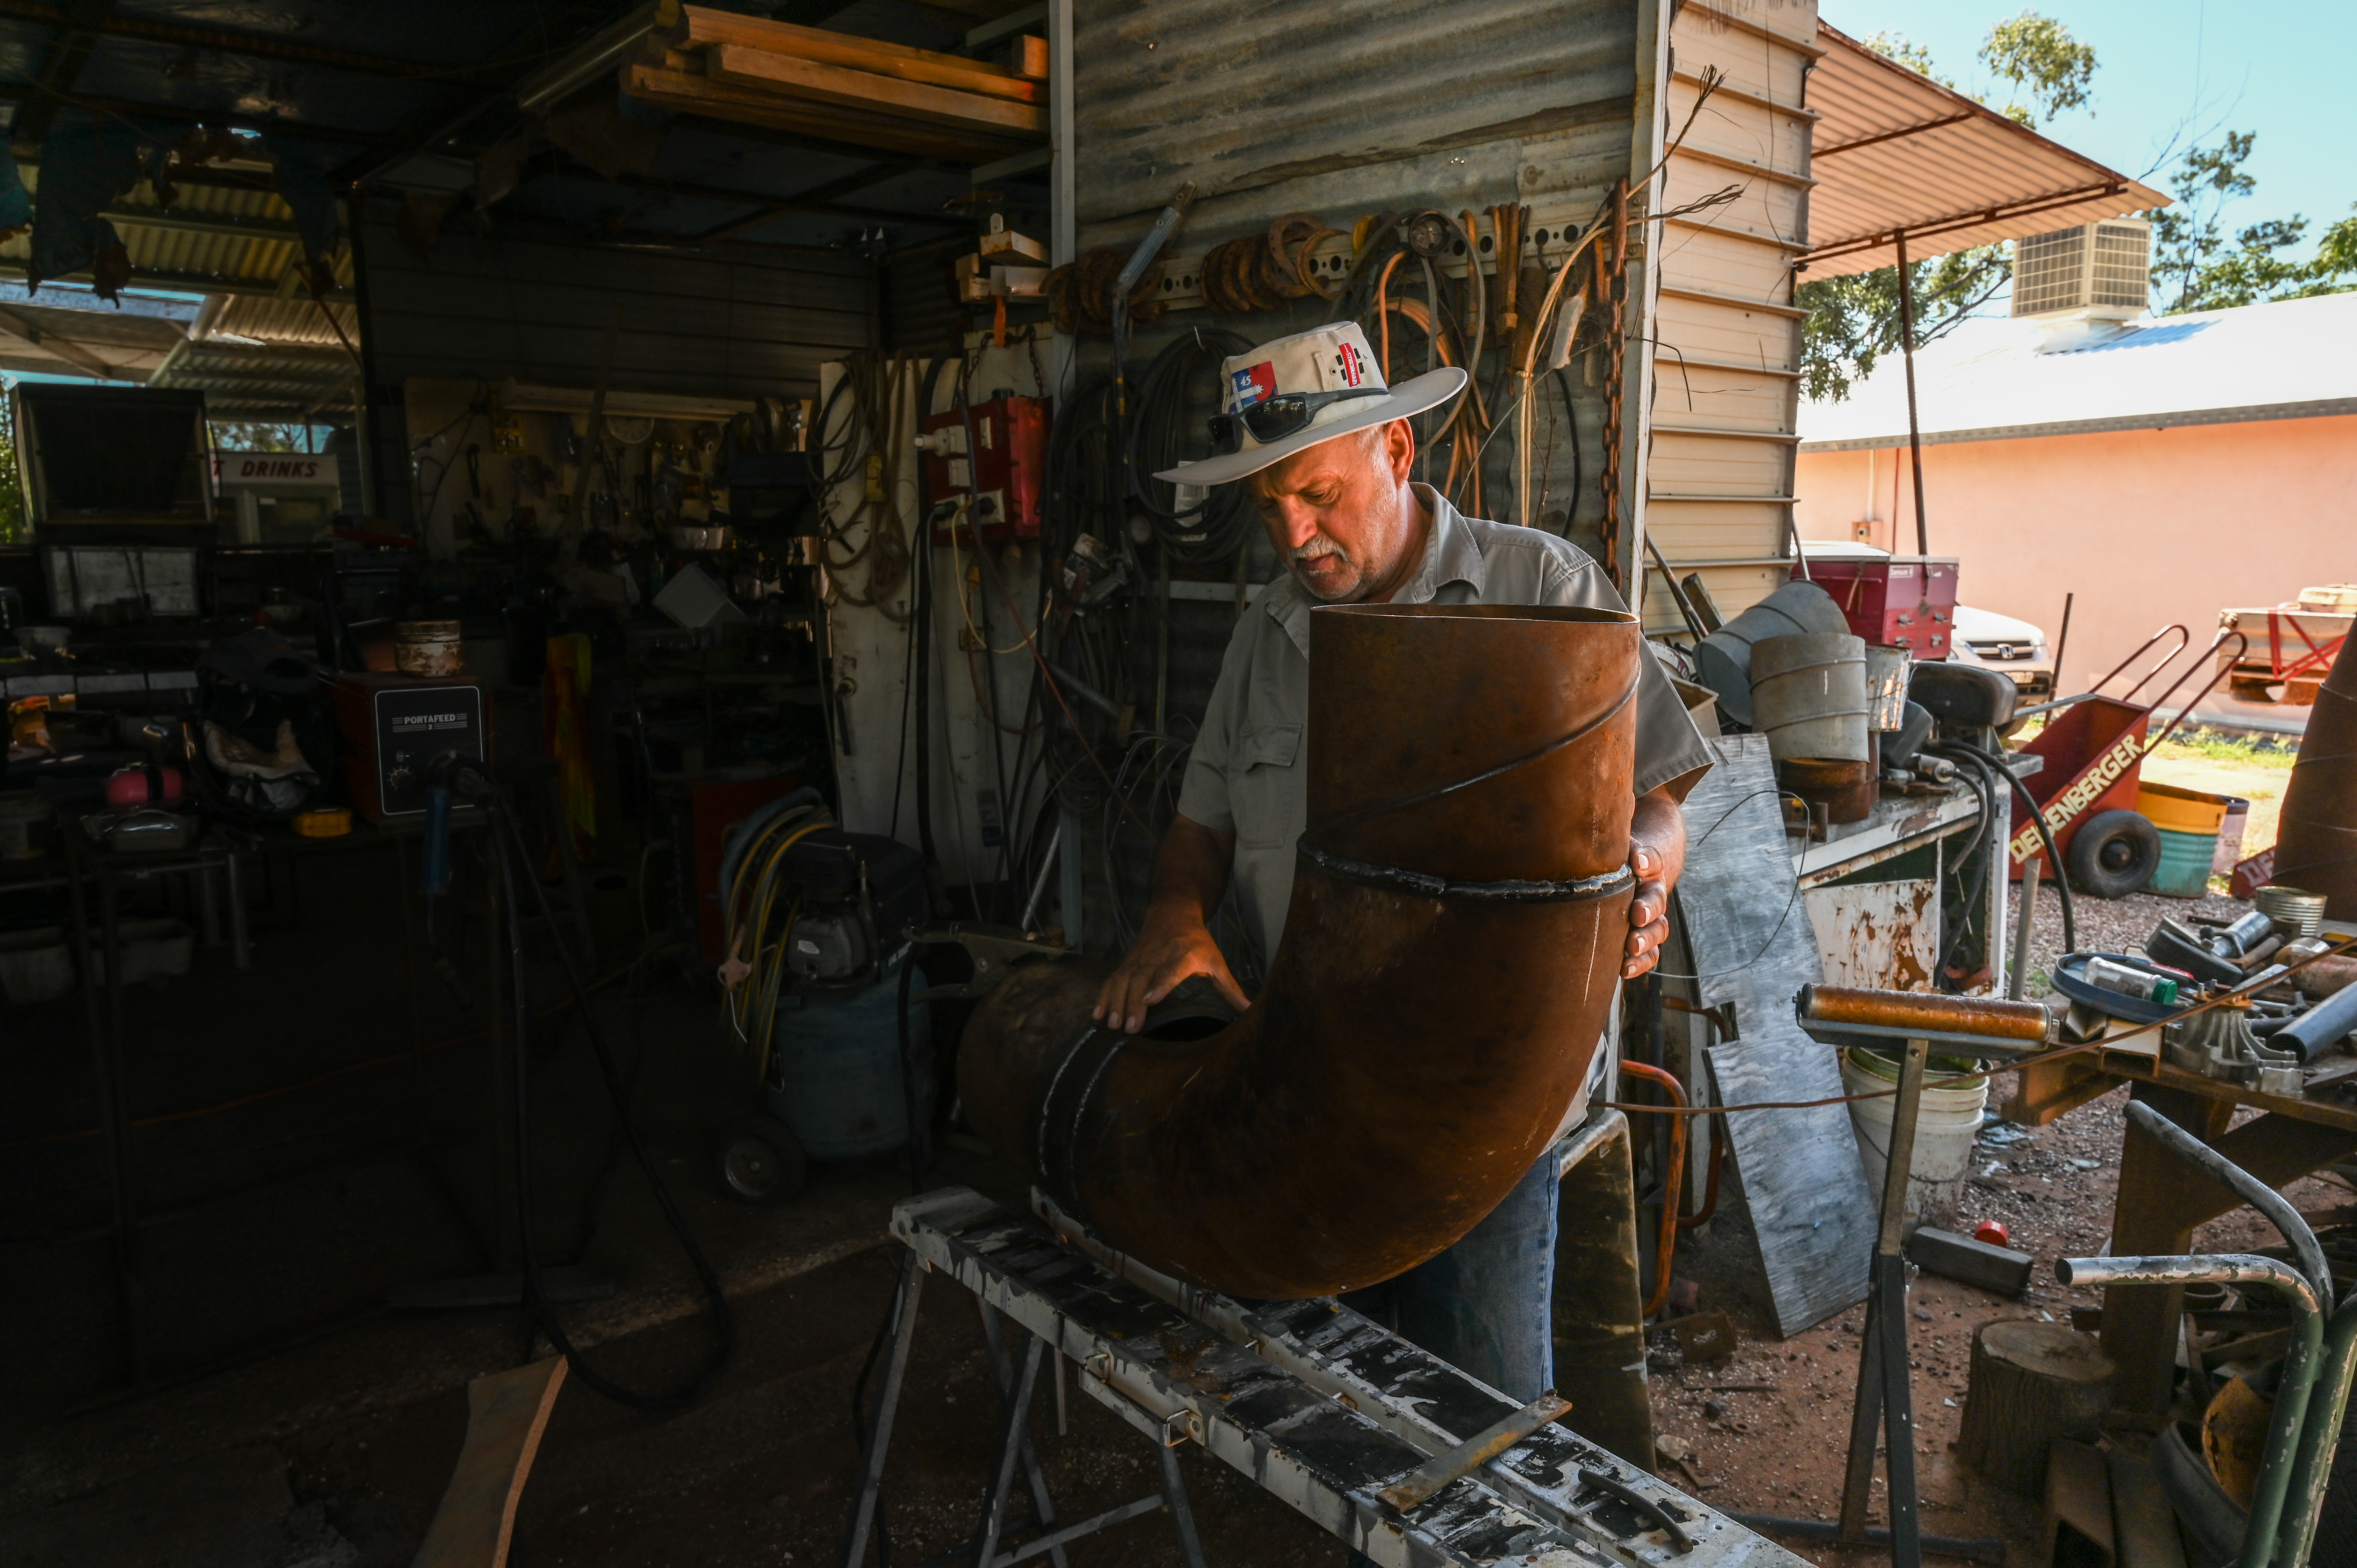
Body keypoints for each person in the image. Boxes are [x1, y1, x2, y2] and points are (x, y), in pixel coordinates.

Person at [1091, 322, 1714, 1403]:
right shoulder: (1267, 633)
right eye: (1268, 505)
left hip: (1480, 1123)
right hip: (1296, 1091)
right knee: (1327, 1411)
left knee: (1479, 1432)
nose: (1294, 533)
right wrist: (1174, 914)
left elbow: (1658, 794)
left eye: (1319, 494)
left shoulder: (1545, 588)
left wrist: (1645, 870)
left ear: (1397, 451)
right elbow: (1202, 821)